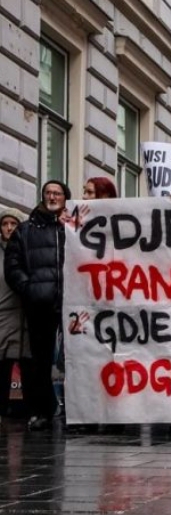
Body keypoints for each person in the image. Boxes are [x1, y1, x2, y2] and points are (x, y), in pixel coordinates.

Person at [3, 181, 70, 430]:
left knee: (76, 358)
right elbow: (12, 265)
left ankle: (76, 411)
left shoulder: (73, 227)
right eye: (48, 193)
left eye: (57, 193)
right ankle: (41, 410)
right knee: (39, 360)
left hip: (73, 302)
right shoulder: (26, 230)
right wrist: (29, 289)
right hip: (40, 303)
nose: (52, 196)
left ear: (66, 198)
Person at [0, 209, 30, 420]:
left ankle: (29, 410)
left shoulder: (27, 250)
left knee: (27, 365)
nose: (9, 228)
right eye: (5, 223)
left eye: (13, 223)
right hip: (2, 316)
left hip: (24, 315)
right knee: (2, 366)